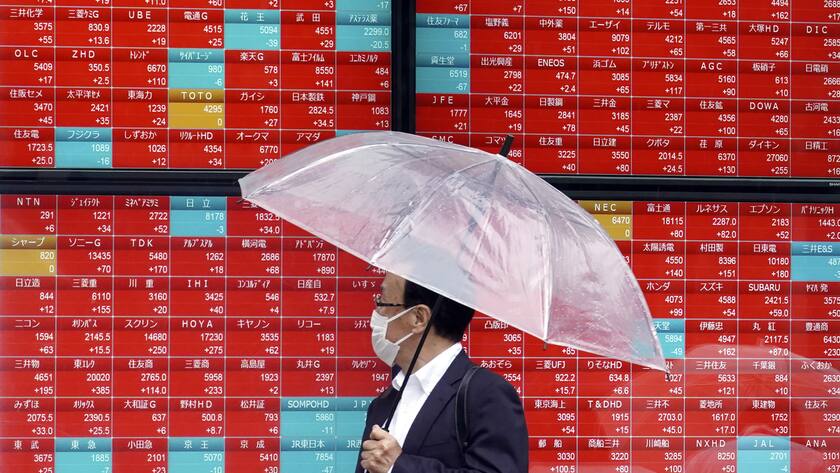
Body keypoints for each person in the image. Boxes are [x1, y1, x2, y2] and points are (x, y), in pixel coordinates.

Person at [356, 271, 529, 473]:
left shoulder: (485, 394)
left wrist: (397, 466)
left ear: (418, 318)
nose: (376, 313)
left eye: (382, 302)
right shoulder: (385, 401)